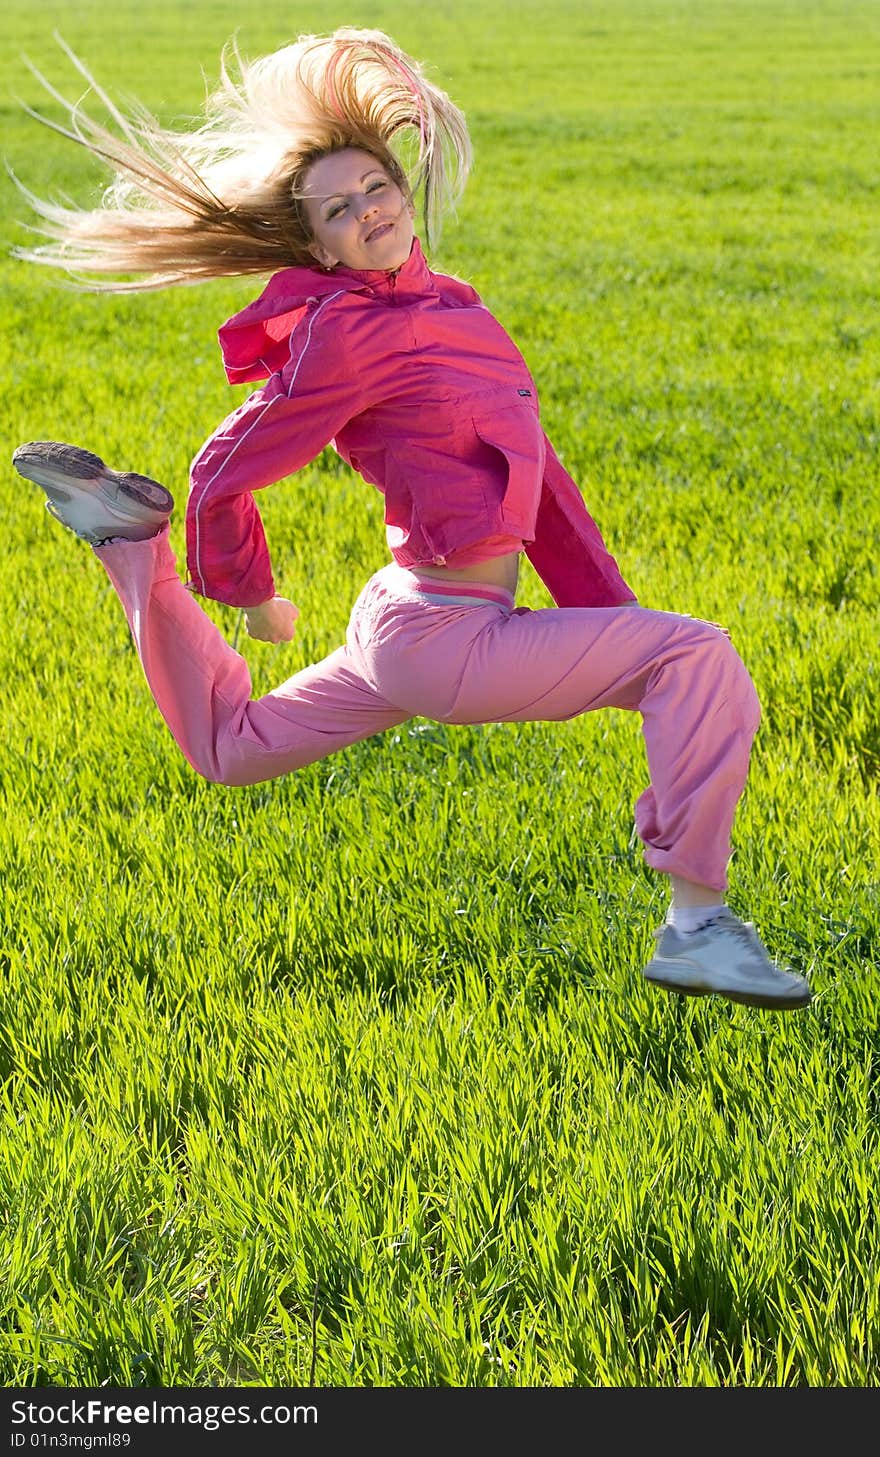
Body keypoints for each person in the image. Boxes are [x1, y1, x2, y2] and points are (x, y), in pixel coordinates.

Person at [10, 27, 811, 1010]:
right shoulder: (347, 330)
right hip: (444, 638)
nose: (366, 212)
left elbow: (544, 488)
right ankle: (697, 925)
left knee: (230, 749)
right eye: (338, 211)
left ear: (402, 183)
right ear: (317, 245)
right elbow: (224, 469)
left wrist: (605, 617)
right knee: (697, 656)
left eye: (374, 188)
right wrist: (252, 595)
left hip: (412, 617)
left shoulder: (464, 312)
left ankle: (128, 544)